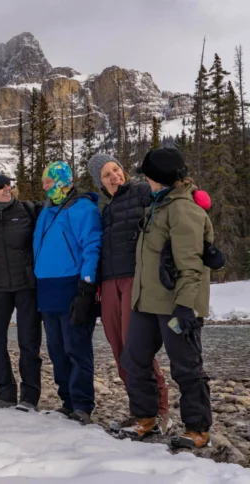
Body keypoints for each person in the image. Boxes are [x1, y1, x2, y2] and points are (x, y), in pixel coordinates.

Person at [120, 148, 213, 449]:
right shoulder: (159, 205)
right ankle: (146, 418)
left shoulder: (182, 209)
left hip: (176, 305)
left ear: (157, 178)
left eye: (147, 175)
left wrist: (186, 306)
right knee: (134, 359)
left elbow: (191, 265)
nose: (144, 180)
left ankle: (197, 429)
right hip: (146, 303)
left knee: (186, 367)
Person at [87, 153, 171, 433]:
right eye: (106, 175)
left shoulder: (143, 192)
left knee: (136, 346)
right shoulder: (106, 209)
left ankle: (158, 412)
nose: (114, 176)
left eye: (116, 169)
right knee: (118, 347)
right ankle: (140, 412)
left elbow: (169, 205)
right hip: (110, 284)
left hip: (136, 279)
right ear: (100, 183)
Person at [33, 161, 102, 424]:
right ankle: (67, 400)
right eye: (43, 183)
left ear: (63, 181)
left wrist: (87, 284)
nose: (45, 187)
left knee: (76, 346)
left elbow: (92, 246)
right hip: (47, 288)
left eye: (49, 182)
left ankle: (83, 403)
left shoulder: (82, 207)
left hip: (73, 285)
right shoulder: (47, 211)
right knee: (56, 348)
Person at [0, 170, 43, 412]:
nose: (7, 188)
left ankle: (29, 397)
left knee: (29, 342)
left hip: (27, 285)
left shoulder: (28, 210)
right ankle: (5, 392)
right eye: (0, 185)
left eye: (8, 184)